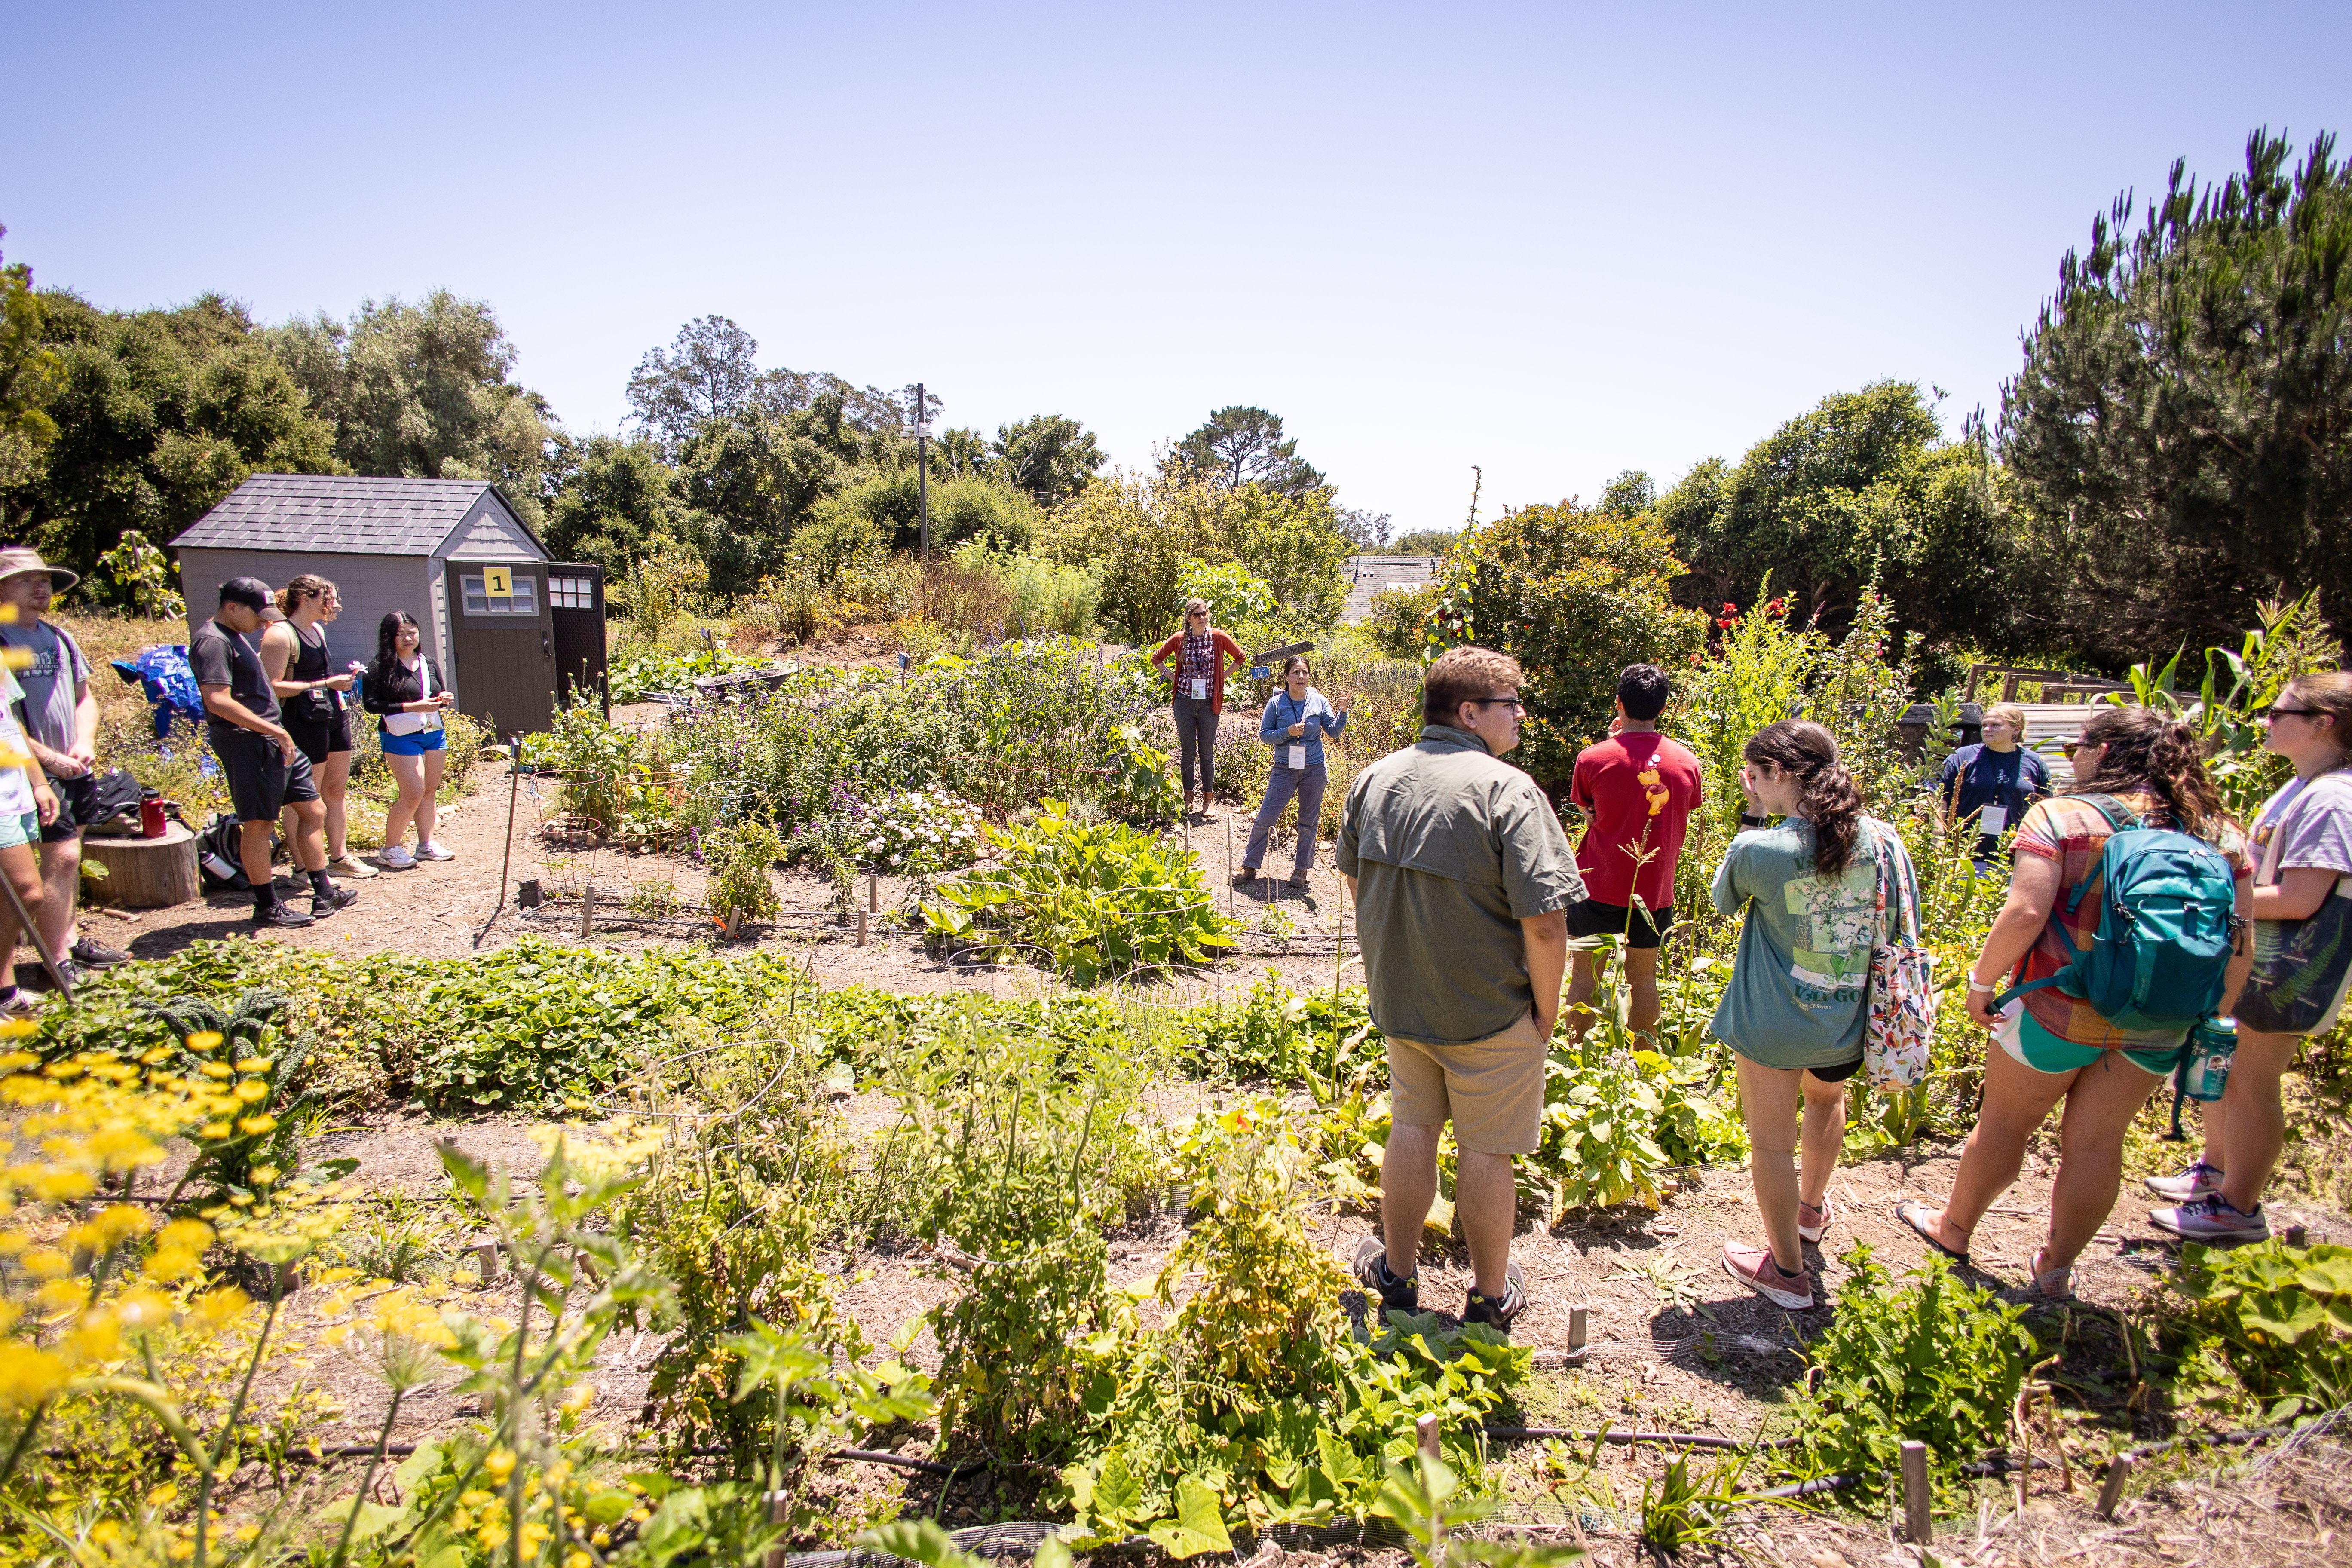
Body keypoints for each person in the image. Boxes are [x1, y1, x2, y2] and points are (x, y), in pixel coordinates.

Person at [1900, 707, 2252, 1299]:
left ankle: (1955, 1228)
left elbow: (2026, 912)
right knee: (2097, 1144)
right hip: (2158, 1021)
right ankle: (2056, 1268)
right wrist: (2214, 1017)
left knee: (2006, 1124)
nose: (2074, 759)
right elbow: (2240, 940)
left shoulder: (2062, 816)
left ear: (2107, 752)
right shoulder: (2219, 833)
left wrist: (1982, 985)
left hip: (2057, 1008)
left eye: (2080, 748)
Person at [1336, 646, 1583, 1332]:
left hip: (1403, 1000)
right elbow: (1545, 924)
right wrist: (1546, 1011)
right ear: (1470, 712)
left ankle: (1398, 1275)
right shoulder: (1508, 790)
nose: (1522, 714)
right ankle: (1489, 1297)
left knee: (1411, 1127)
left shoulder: (1375, 777)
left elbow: (1356, 885)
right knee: (1487, 1148)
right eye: (1511, 702)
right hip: (1490, 1010)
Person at [1710, 720, 1912, 1310]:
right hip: (1847, 1018)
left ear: (1775, 775)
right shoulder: (1882, 840)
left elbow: (1725, 901)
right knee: (1827, 1102)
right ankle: (1810, 1213)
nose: (1751, 784)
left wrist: (1752, 816)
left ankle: (1787, 1273)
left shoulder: (1761, 849)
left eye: (1755, 775)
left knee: (1771, 1145)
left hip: (1774, 1022)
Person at [2147, 673, 2352, 1240]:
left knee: (2250, 1080)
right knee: (2224, 1065)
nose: (2266, 720)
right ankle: (2216, 1172)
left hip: (2291, 971)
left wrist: (2206, 904)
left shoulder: (2335, 798)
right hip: (2257, 956)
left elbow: (2300, 898)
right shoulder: (2305, 785)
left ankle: (2237, 1208)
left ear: (2322, 723)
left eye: (2279, 711)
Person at [190, 578, 358, 928]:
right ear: (232, 607)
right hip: (248, 742)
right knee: (259, 823)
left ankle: (324, 891)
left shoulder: (235, 637)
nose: (265, 622)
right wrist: (274, 729)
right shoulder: (212, 641)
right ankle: (267, 905)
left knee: (313, 809)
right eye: (258, 614)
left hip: (275, 738)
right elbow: (217, 701)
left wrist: (277, 732)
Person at [0, 549, 128, 978]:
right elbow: (7, 721)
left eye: (46, 581)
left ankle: (68, 942)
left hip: (71, 767)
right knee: (62, 857)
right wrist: (49, 759)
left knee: (68, 858)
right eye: (25, 580)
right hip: (23, 773)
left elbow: (84, 697)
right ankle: (56, 959)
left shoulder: (58, 637)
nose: (40, 588)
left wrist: (83, 741)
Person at [1562, 664, 1703, 1044]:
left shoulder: (1592, 758)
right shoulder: (1687, 762)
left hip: (1598, 883)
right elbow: (1681, 808)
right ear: (1663, 707)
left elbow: (1588, 808)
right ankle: (1641, 1061)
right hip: (1654, 890)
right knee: (1644, 979)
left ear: (1619, 703)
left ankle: (1577, 1057)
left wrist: (1614, 743)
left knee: (1583, 978)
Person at [261, 576, 374, 881]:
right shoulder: (280, 635)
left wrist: (337, 683)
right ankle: (303, 866)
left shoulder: (319, 631)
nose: (335, 605)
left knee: (334, 790)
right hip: (300, 721)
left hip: (331, 714)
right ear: (307, 599)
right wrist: (325, 683)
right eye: (329, 598)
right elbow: (272, 687)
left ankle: (338, 857)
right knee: (303, 798)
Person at [1237, 655, 1351, 892]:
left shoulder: (1319, 701)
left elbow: (1332, 732)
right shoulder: (1277, 704)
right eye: (1296, 673)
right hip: (1284, 770)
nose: (1301, 677)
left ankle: (1301, 869)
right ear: (1287, 677)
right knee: (1266, 817)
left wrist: (1343, 712)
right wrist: (1287, 731)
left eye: (1305, 673)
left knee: (1308, 821)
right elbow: (1264, 735)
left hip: (1314, 769)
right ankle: (1250, 865)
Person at [362, 611, 457, 868]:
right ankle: (390, 848)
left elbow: (435, 694)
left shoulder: (429, 662)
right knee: (412, 792)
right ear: (389, 638)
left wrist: (442, 700)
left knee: (429, 790)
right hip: (399, 734)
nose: (407, 638)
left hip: (433, 732)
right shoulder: (380, 667)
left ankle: (426, 845)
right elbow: (371, 705)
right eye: (400, 634)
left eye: (412, 632)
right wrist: (412, 707)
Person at [1149, 599, 1246, 821]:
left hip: (1209, 703)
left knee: (1206, 752)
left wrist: (1222, 678)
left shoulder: (1218, 637)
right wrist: (1172, 677)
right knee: (1187, 752)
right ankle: (1187, 797)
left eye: (1205, 613)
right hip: (1184, 702)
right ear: (1189, 618)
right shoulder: (1180, 639)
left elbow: (1240, 657)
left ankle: (1208, 800)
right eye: (1198, 615)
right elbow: (1157, 658)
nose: (1203, 617)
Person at [0, 652, 56, 1013]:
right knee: (27, 893)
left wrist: (39, 783)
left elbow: (12, 724)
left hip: (15, 789)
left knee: (11, 898)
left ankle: (5, 992)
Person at [1937, 701, 2049, 875]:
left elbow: (2045, 807)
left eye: (1995, 725)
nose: (1987, 729)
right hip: (1963, 855)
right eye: (1984, 725)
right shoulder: (1963, 757)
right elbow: (1940, 798)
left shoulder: (2035, 763)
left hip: (2012, 858)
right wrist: (1939, 838)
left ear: (2016, 730)